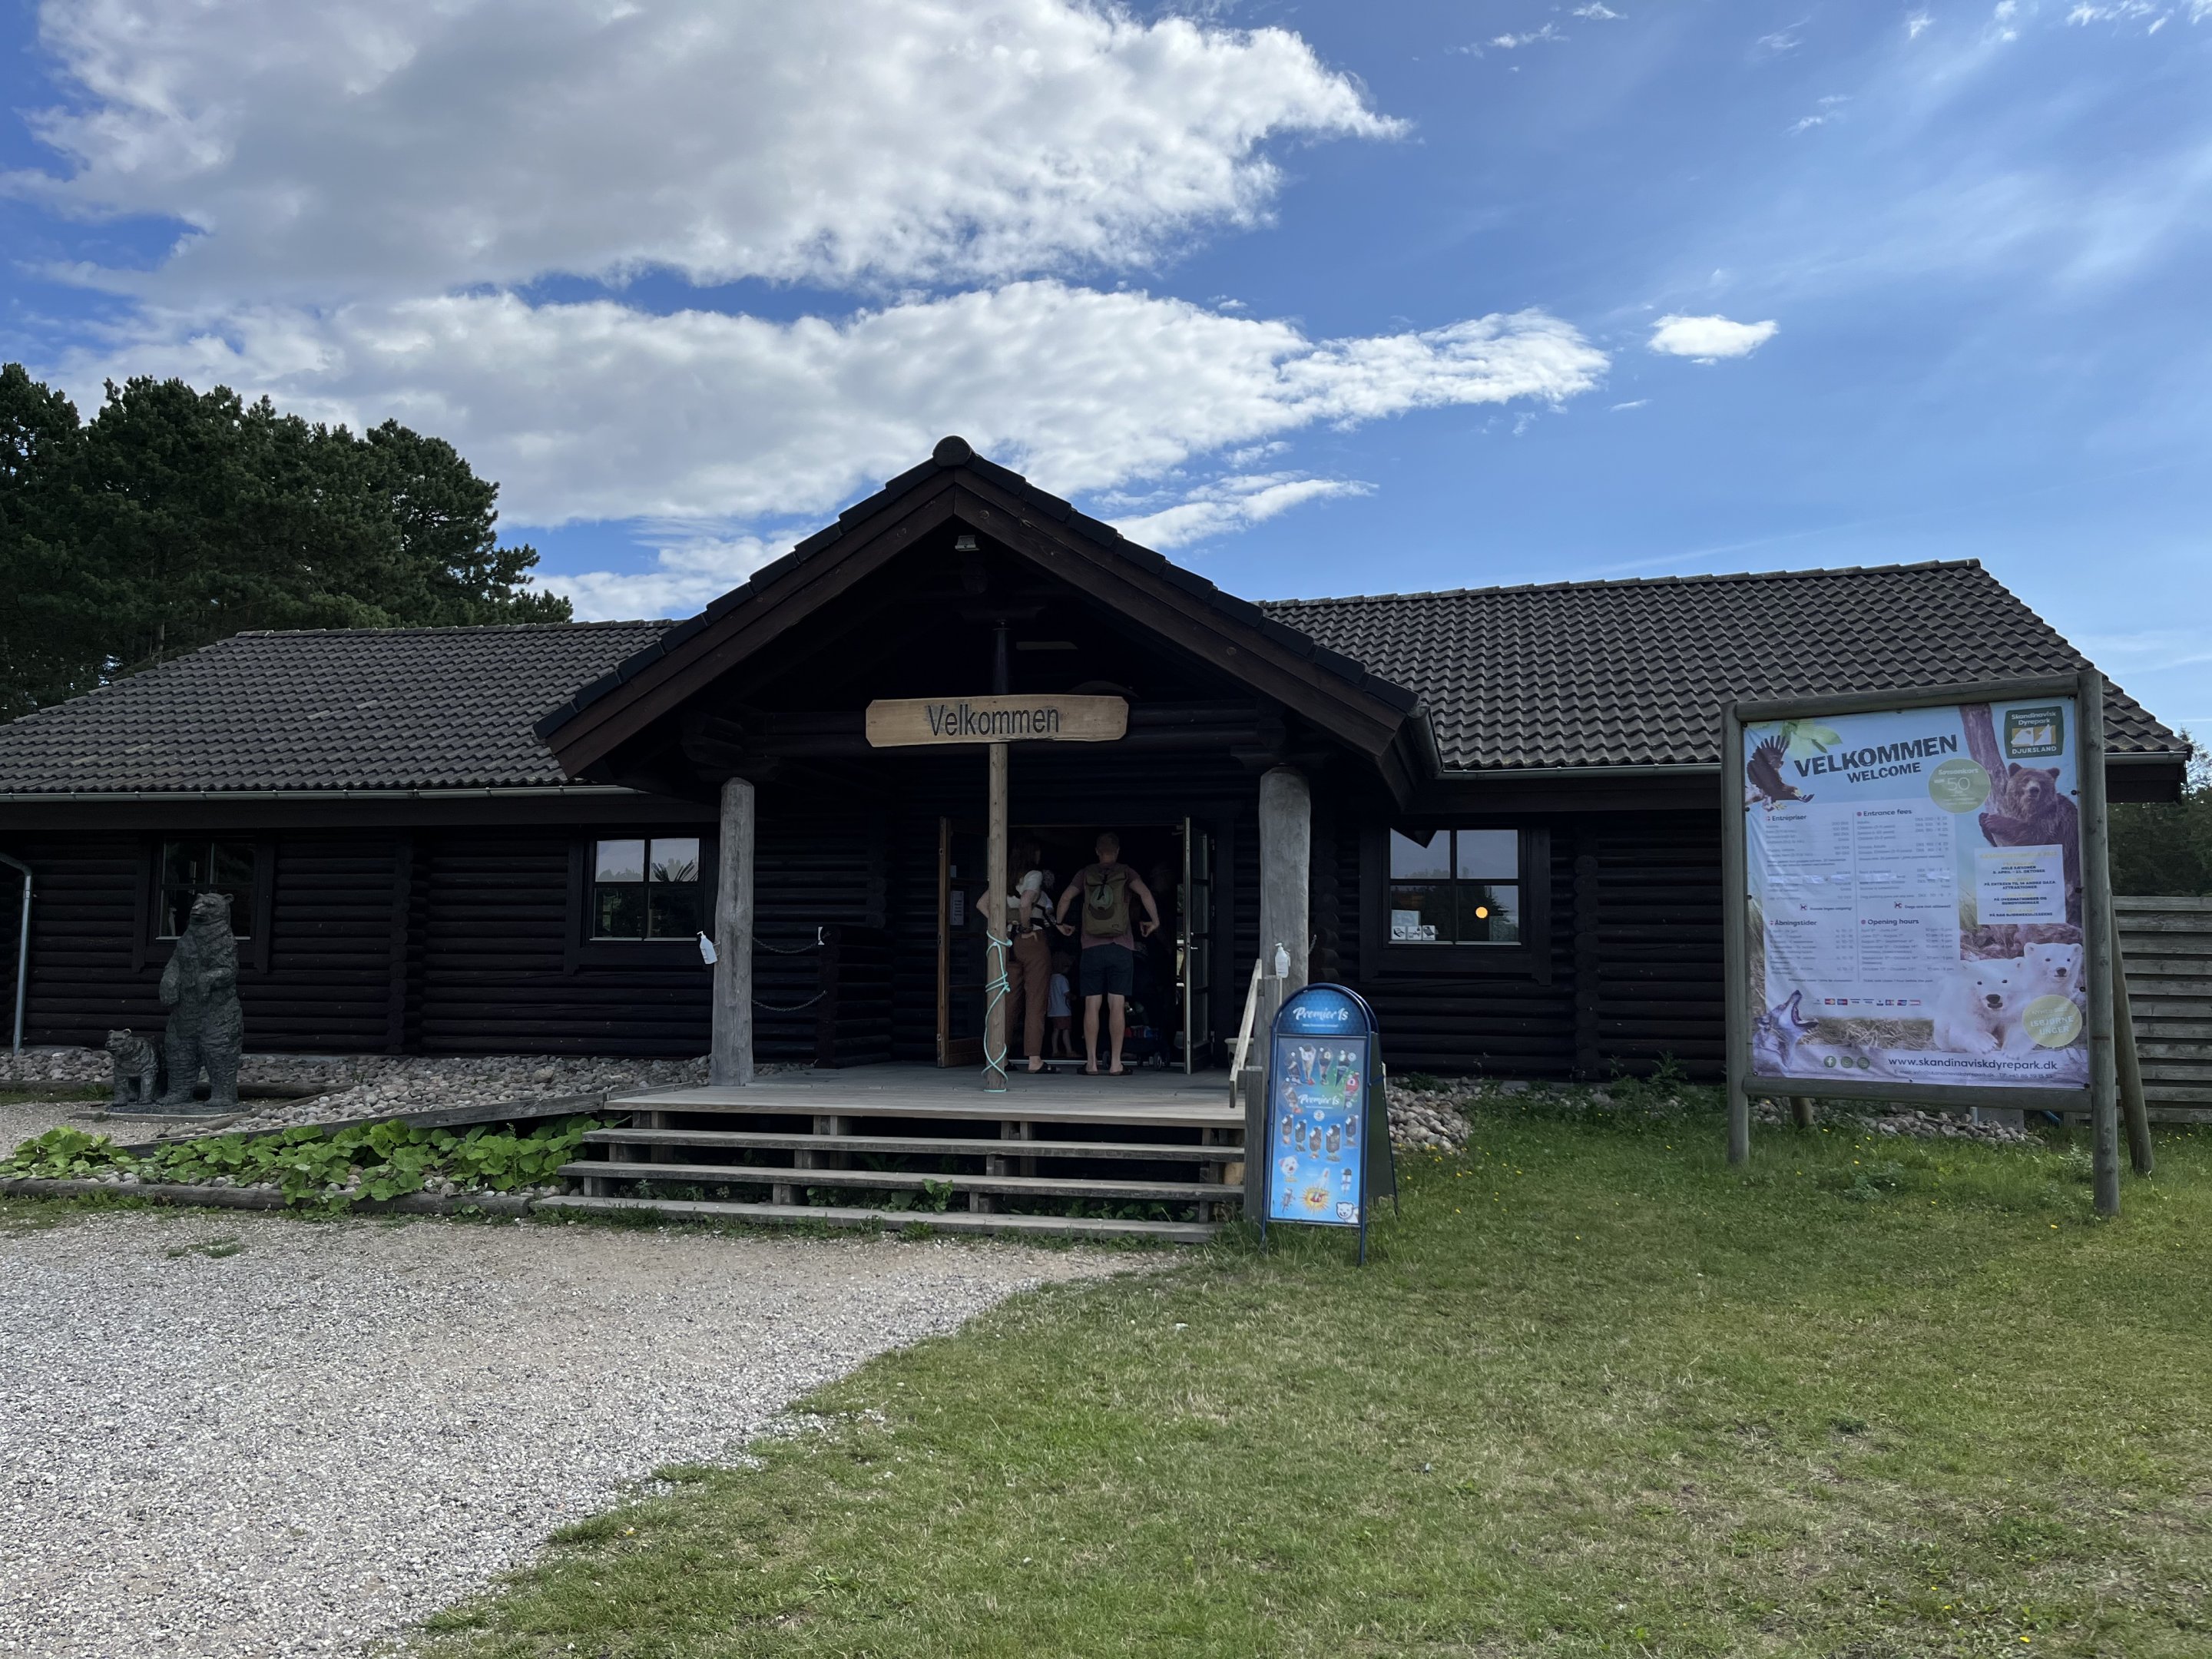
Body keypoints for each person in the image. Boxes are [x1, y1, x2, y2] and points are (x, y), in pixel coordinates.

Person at [1053, 831, 1161, 1075]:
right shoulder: (1126, 872)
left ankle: (1091, 1064)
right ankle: (1115, 1063)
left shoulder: (1085, 874)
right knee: (1117, 1004)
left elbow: (1066, 898)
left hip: (1091, 949)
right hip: (1121, 948)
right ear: (1118, 851)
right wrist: (1153, 921)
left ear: (1097, 851)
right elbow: (1145, 894)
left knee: (1092, 1005)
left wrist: (1060, 922)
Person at [1000, 843, 1055, 1073]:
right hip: (1031, 940)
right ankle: (1034, 1059)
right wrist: (1025, 926)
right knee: (1036, 1000)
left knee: (1008, 1001)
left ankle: (999, 1057)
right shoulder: (1034, 875)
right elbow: (1026, 902)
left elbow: (982, 904)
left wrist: (1002, 925)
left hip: (1008, 941)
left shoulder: (1005, 876)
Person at [1047, 952, 1075, 1058]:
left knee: (1056, 1030)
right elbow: (1067, 994)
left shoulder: (1051, 979)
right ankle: (1069, 1050)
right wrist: (1074, 997)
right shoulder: (1063, 980)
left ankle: (1055, 1050)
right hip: (1063, 1010)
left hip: (1053, 1010)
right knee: (1066, 1030)